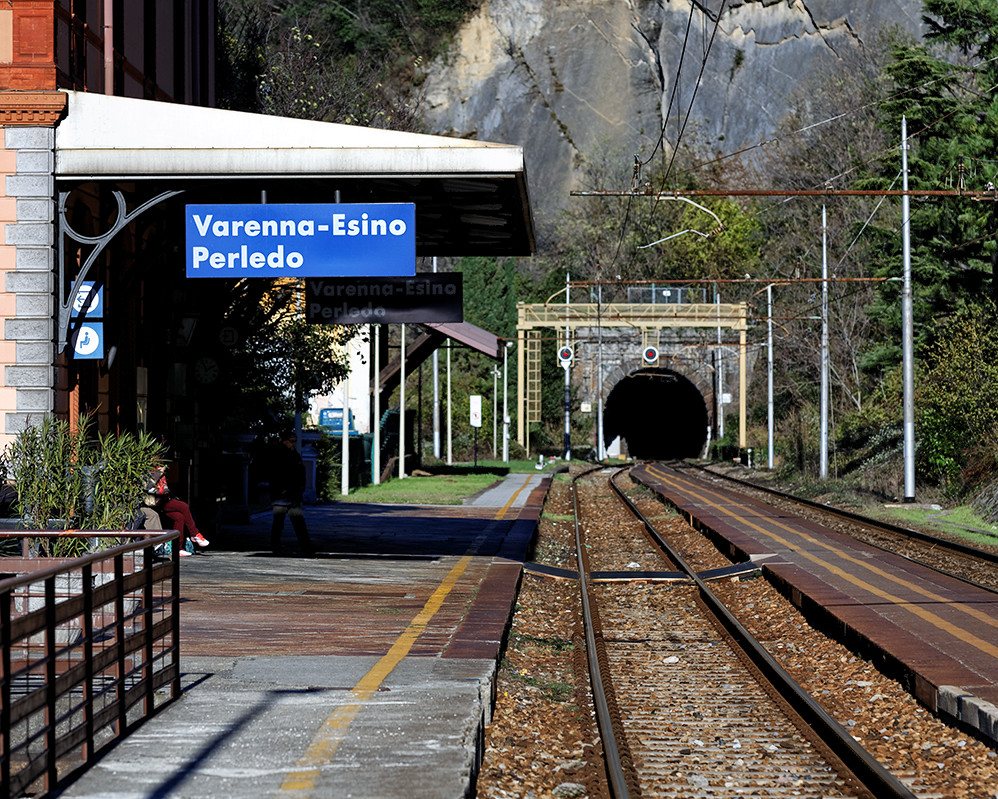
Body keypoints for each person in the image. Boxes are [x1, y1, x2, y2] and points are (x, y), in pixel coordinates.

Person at [145, 464, 209, 557]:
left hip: (163, 499)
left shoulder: (158, 467)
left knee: (179, 517)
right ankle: (195, 534)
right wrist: (159, 472)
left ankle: (177, 549)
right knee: (184, 506)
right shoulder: (146, 467)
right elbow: (148, 486)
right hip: (155, 501)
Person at [270, 432, 314, 557]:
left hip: (292, 495)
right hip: (282, 496)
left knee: (298, 523)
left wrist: (299, 490)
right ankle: (277, 547)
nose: (294, 443)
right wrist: (282, 490)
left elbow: (300, 473)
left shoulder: (294, 454)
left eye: (295, 440)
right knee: (279, 524)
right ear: (284, 441)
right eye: (291, 440)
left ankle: (306, 547)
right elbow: (278, 475)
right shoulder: (279, 455)